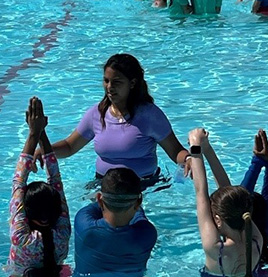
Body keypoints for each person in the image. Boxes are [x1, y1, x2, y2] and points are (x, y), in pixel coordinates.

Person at [50, 54, 190, 188]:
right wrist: (45, 151)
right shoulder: (97, 113)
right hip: (103, 186)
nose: (109, 87)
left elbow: (175, 151)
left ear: (132, 83)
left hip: (143, 188)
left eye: (116, 82)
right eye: (106, 81)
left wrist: (189, 160)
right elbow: (69, 147)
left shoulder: (150, 115)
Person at [189, 128, 268, 277]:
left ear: (217, 219)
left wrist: (196, 147)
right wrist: (206, 149)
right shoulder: (256, 241)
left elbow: (200, 191)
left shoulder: (216, 249)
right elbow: (227, 194)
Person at [69, 168, 157, 277]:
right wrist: (133, 201)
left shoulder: (83, 224)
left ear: (100, 199)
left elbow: (96, 206)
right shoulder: (147, 234)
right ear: (138, 202)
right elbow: (139, 215)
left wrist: (105, 198)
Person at [200, 129, 268, 265]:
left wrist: (258, 163)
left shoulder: (220, 252)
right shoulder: (260, 239)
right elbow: (267, 199)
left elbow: (240, 198)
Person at [8, 97, 72, 277]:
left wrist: (33, 133)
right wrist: (41, 134)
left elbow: (19, 181)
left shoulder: (20, 238)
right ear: (55, 210)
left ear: (26, 211)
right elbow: (55, 180)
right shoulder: (62, 233)